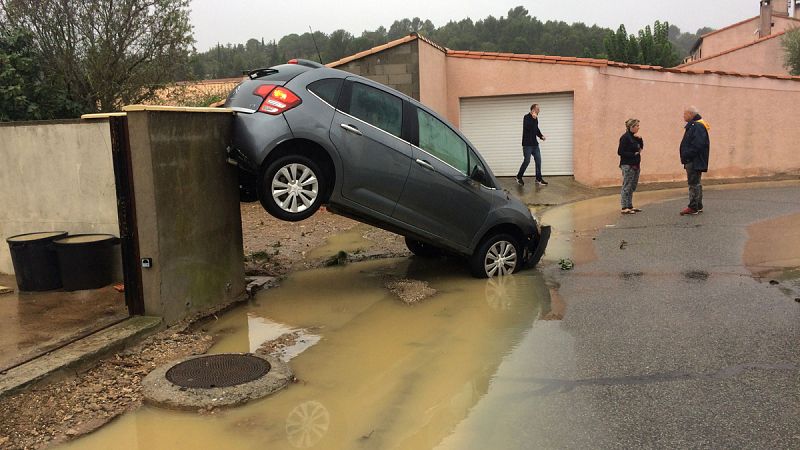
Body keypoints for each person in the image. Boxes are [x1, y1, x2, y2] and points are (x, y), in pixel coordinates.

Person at [679, 106, 710, 215]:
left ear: (691, 114)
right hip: (694, 160)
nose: (683, 116)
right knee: (696, 183)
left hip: (694, 160)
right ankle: (698, 205)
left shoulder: (697, 126)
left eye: (685, 114)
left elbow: (698, 144)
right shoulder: (695, 125)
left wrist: (687, 155)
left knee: (693, 183)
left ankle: (693, 207)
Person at [516, 104, 547, 186]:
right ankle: (519, 177)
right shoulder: (526, 117)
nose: (539, 110)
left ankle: (538, 179)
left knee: (538, 161)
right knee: (527, 161)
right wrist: (533, 119)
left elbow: (536, 129)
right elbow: (528, 127)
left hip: (535, 144)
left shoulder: (536, 118)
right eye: (538, 109)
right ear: (533, 109)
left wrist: (541, 136)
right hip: (527, 145)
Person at [618, 118, 643, 214]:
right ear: (631, 127)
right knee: (627, 185)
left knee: (632, 186)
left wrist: (640, 140)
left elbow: (640, 148)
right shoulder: (625, 137)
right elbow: (620, 152)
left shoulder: (634, 137)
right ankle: (624, 207)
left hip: (636, 164)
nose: (638, 127)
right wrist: (633, 155)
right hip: (628, 165)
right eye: (637, 126)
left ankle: (630, 205)